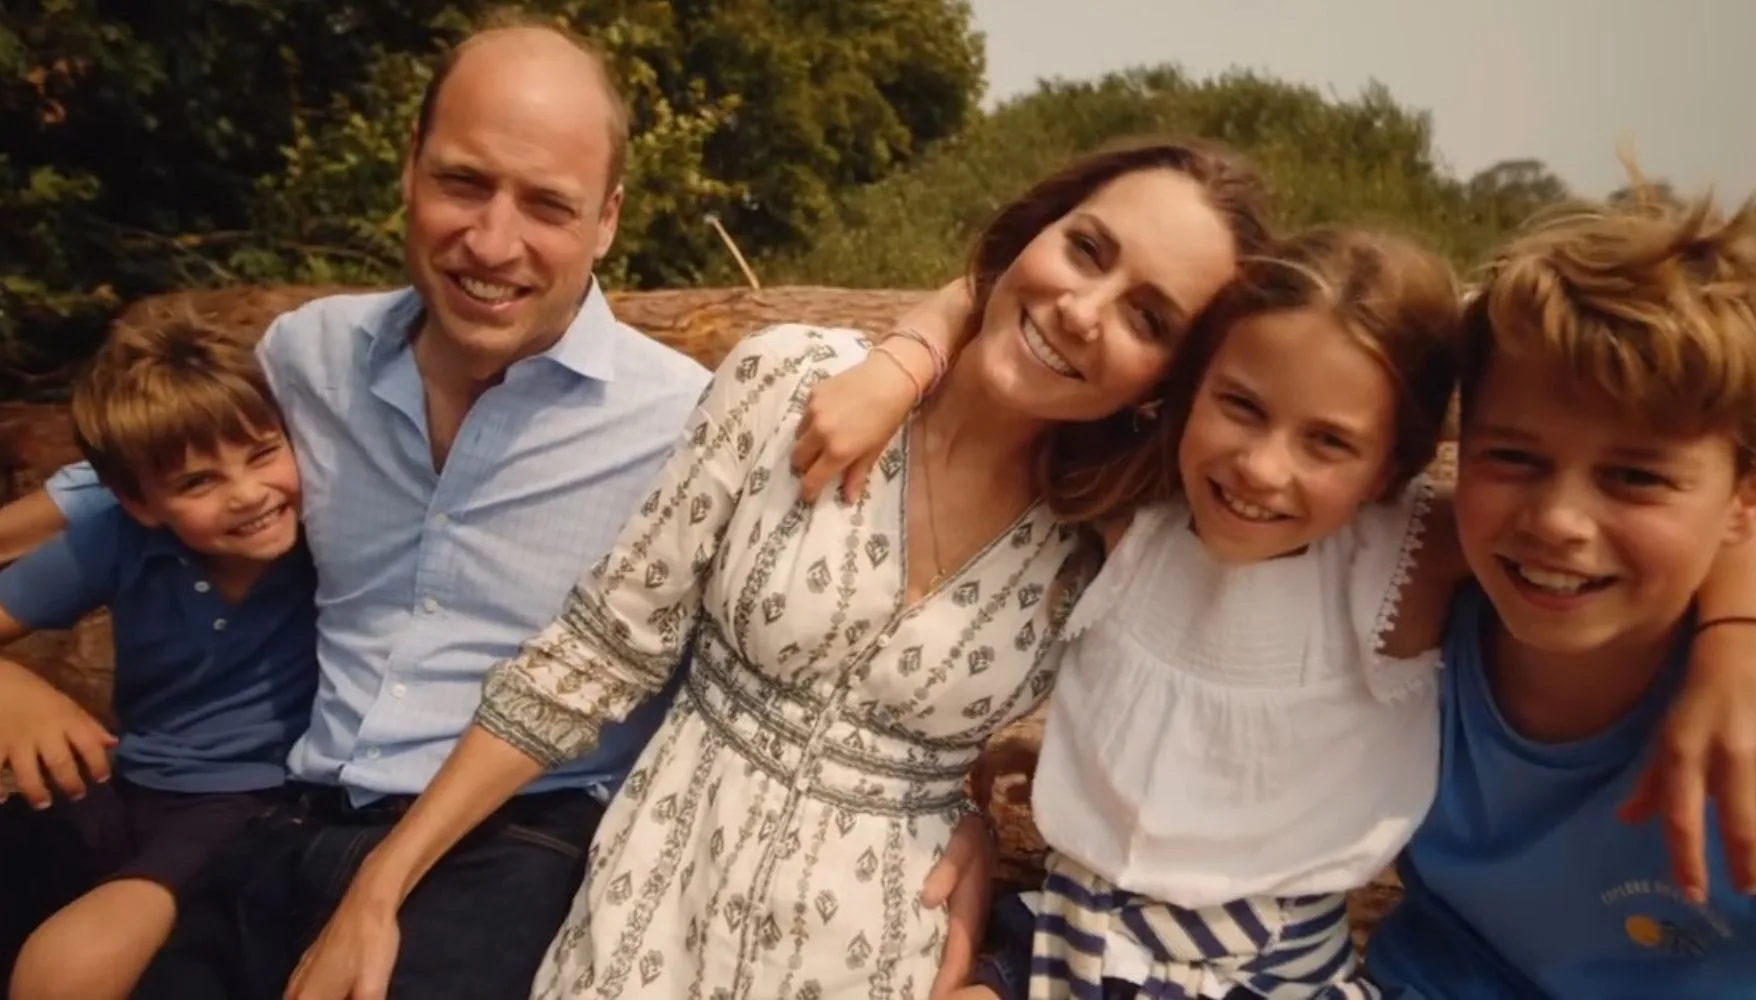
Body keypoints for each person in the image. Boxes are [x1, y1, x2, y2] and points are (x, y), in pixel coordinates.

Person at [1, 13, 998, 999]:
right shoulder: (309, 361)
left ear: (608, 219)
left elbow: (856, 608)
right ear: (411, 170)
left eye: (548, 206)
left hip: (519, 838)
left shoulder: (690, 423)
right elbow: (131, 481)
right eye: (463, 182)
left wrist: (949, 807)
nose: (492, 241)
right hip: (286, 818)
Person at [283, 136, 1277, 1000]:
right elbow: (594, 655)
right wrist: (383, 881)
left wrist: (976, 809)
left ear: (1167, 382)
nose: (1083, 310)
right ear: (1034, 232)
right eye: (1086, 249)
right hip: (651, 915)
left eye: (1149, 318)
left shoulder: (1102, 542)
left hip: (885, 949)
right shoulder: (796, 380)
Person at [790, 223, 1756, 999]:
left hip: (1266, 974)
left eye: (1329, 442)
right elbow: (998, 301)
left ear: (1398, 457)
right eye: (1239, 406)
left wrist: (1751, 650)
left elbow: (1744, 536)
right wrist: (906, 358)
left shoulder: (1408, 555)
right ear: (1191, 389)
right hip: (1062, 937)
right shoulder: (1135, 504)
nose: (1261, 467)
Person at [1362, 183, 1756, 997]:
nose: (1558, 521)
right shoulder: (1410, 625)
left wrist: (1753, 647)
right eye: (1513, 458)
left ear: (1754, 496)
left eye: (1634, 477)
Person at [0, 313, 318, 1000]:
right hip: (127, 779)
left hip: (252, 803)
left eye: (263, 453)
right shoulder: (118, 539)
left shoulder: (327, 539)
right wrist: (14, 692)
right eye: (199, 483)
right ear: (141, 503)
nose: (247, 493)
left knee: (68, 968)